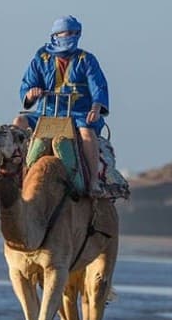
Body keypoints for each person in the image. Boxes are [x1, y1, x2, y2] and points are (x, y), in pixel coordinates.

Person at [12, 15, 110, 196]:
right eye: (67, 33)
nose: (72, 37)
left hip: (78, 113)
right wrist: (31, 93)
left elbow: (99, 86)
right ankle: (16, 173)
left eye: (75, 33)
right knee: (18, 122)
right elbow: (27, 85)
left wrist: (96, 108)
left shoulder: (86, 59)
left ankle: (94, 182)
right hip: (46, 112)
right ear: (56, 35)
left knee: (87, 133)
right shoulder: (41, 58)